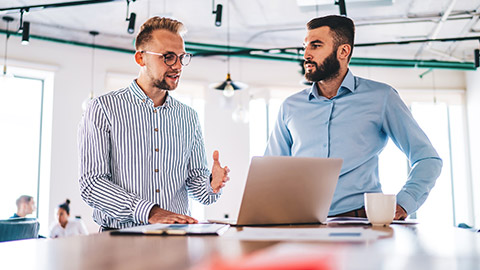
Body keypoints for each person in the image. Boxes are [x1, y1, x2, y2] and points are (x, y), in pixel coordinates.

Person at [265, 15, 442, 220]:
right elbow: (271, 172)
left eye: (315, 45)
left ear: (343, 51)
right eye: (305, 46)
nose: (306, 54)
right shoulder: (290, 107)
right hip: (301, 223)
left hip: (360, 223)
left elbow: (428, 158)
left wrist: (405, 202)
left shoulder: (381, 97)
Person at [78, 16, 230, 231]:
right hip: (120, 241)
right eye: (168, 57)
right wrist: (150, 212)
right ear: (141, 58)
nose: (177, 66)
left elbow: (199, 189)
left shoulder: (188, 117)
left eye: (181, 57)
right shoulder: (103, 109)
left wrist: (212, 185)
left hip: (177, 239)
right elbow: (92, 185)